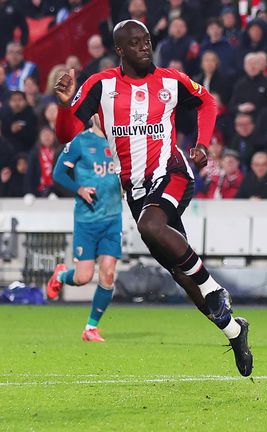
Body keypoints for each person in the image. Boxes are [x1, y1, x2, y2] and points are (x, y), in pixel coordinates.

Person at [53, 19, 252, 376]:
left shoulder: (171, 80)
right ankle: (234, 330)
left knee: (150, 226)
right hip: (137, 189)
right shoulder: (101, 86)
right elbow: (67, 133)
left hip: (172, 172)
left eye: (146, 40)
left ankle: (216, 290)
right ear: (119, 50)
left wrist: (202, 142)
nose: (144, 47)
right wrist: (67, 106)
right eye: (135, 43)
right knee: (180, 274)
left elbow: (207, 102)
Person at [46, 116, 121, 342]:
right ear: (93, 116)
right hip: (87, 220)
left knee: (108, 274)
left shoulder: (120, 140)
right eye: (99, 110)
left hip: (113, 217)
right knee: (83, 277)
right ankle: (61, 274)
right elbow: (58, 173)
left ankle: (91, 328)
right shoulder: (80, 142)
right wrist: (79, 189)